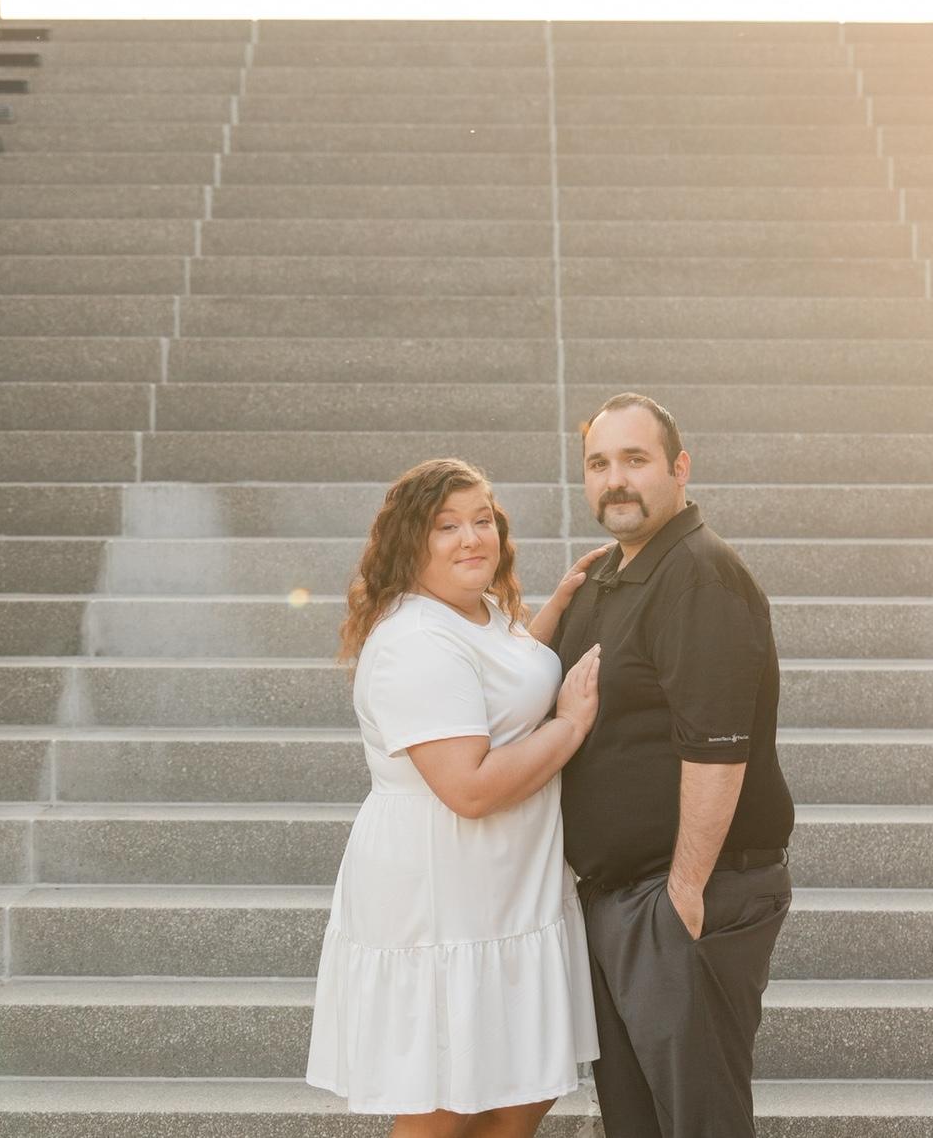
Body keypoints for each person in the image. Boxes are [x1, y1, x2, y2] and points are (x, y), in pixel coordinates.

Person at [305, 457, 605, 1138]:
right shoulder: (415, 642)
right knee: (450, 1101)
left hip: (506, 887)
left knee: (520, 1092)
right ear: (411, 541)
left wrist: (558, 609)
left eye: (482, 520)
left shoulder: (476, 611)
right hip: (446, 898)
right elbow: (467, 789)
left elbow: (498, 684)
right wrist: (569, 726)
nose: (472, 538)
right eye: (446, 526)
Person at [552, 393, 796, 1138]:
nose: (615, 480)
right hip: (619, 897)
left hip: (685, 893)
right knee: (638, 1124)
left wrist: (684, 893)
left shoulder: (699, 575)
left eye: (635, 460)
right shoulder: (608, 576)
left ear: (679, 468)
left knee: (699, 1123)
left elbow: (717, 745)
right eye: (599, 464)